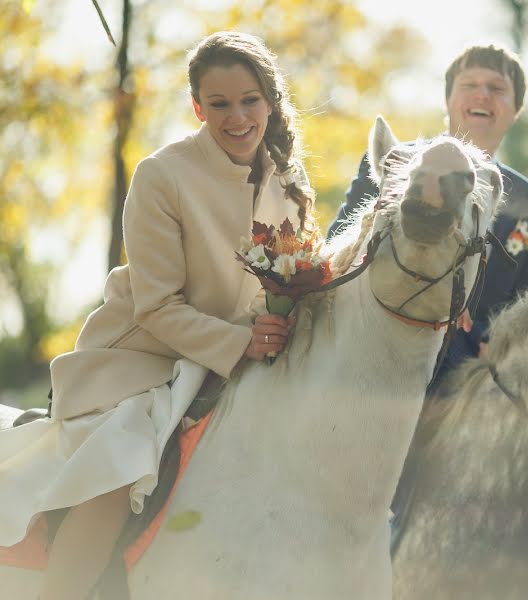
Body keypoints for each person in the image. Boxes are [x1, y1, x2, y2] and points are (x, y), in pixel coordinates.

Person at [0, 31, 313, 600]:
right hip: (145, 356)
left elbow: (293, 281)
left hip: (245, 356)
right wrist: (240, 343)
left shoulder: (292, 184)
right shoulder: (160, 175)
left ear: (270, 100)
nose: (237, 117)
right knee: (120, 466)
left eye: (249, 100)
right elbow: (159, 306)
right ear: (198, 107)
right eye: (219, 104)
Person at [328, 44, 528, 394]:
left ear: (516, 109)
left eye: (497, 88)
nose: (482, 95)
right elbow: (338, 249)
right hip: (378, 347)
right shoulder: (397, 162)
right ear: (448, 99)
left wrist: (497, 343)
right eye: (470, 84)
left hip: (469, 377)